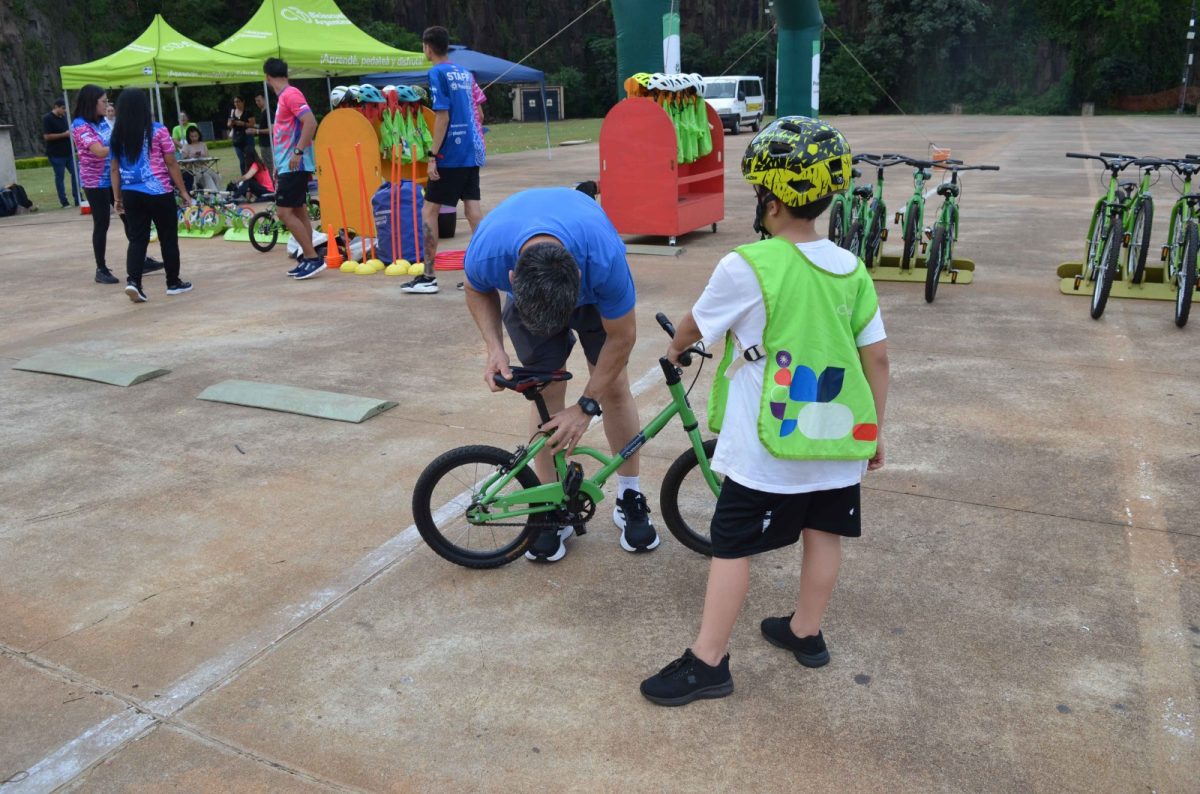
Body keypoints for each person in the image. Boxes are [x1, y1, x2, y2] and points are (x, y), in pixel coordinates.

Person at [638, 117, 890, 707]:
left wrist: (675, 349)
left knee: (731, 544)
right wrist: (874, 432)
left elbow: (694, 326)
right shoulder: (851, 268)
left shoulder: (748, 264)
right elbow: (877, 358)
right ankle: (805, 631)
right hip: (837, 437)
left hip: (767, 447)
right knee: (824, 532)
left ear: (771, 200)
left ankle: (708, 662)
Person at [463, 187, 658, 563]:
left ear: (580, 275)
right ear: (511, 277)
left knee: (614, 388)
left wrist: (586, 407)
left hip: (591, 294)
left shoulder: (603, 259)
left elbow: (623, 336)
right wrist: (495, 347)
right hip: (533, 290)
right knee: (546, 390)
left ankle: (629, 494)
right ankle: (550, 504)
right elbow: (475, 287)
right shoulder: (488, 251)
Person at [401, 26, 486, 295]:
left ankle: (428, 276)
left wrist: (432, 156)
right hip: (471, 151)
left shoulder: (436, 73)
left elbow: (442, 116)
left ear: (427, 47)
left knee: (429, 211)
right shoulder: (465, 73)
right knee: (472, 211)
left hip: (449, 155)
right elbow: (479, 115)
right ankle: (482, 273)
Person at [72, 84, 162, 285]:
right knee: (102, 222)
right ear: (91, 102)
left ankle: (141, 259)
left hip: (114, 176)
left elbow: (113, 141)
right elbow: (99, 151)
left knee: (129, 218)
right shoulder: (80, 125)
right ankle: (101, 268)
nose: (107, 106)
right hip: (95, 182)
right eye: (103, 102)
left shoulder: (102, 122)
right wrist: (124, 143)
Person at [110, 89, 193, 303]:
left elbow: (114, 168)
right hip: (159, 192)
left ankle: (134, 282)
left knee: (137, 238)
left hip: (131, 193)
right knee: (168, 237)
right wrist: (184, 191)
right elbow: (171, 163)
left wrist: (117, 198)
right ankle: (173, 282)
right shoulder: (158, 130)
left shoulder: (117, 135)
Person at [264, 58, 323, 279]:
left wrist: (297, 152)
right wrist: (279, 165)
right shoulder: (284, 97)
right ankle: (307, 257)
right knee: (299, 211)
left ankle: (312, 258)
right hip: (287, 165)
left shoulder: (291, 94)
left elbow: (311, 122)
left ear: (267, 77)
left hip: (295, 164)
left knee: (283, 212)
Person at [43, 99, 79, 208]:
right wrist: (64, 134)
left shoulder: (64, 118)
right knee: (60, 177)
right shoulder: (47, 118)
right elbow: (47, 136)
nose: (65, 111)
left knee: (76, 174)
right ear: (56, 107)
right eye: (63, 108)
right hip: (56, 154)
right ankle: (64, 202)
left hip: (69, 152)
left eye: (66, 109)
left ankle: (78, 198)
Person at [179, 127, 219, 192]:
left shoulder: (203, 145)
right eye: (192, 136)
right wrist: (192, 157)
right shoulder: (186, 146)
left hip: (204, 167)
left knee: (216, 176)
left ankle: (218, 192)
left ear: (199, 135)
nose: (194, 138)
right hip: (193, 170)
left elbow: (207, 159)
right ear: (188, 137)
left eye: (196, 136)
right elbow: (183, 162)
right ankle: (214, 194)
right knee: (207, 177)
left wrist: (202, 156)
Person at [247, 93, 273, 178]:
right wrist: (254, 126)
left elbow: (272, 129)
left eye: (259, 100)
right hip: (263, 144)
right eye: (256, 101)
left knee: (269, 165)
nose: (257, 103)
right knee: (266, 164)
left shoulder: (268, 113)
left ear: (264, 100)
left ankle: (272, 183)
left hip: (268, 144)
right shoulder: (263, 112)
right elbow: (263, 126)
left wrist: (256, 131)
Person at [227, 96, 251, 174]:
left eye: (238, 101)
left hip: (247, 137)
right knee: (242, 159)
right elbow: (228, 124)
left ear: (243, 102)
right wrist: (231, 123)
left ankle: (252, 176)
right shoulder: (232, 112)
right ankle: (244, 176)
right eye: (235, 102)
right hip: (237, 138)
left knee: (249, 158)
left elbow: (253, 124)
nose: (236, 103)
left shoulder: (248, 112)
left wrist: (243, 123)